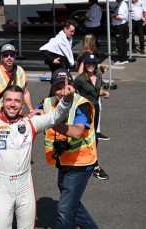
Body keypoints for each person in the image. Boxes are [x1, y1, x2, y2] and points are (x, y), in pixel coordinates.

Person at [0, 76, 75, 229]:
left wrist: (66, 101)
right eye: (9, 100)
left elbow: (54, 117)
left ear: (23, 104)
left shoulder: (30, 122)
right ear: (2, 102)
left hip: (25, 185)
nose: (12, 104)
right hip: (1, 186)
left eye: (17, 101)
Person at [37, 68, 99, 228]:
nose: (61, 91)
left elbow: (77, 132)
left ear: (72, 86)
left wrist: (50, 121)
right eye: (57, 87)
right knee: (72, 204)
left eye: (65, 86)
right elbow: (33, 116)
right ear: (52, 88)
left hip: (80, 163)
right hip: (63, 161)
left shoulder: (82, 104)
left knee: (65, 210)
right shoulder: (48, 102)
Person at [0, 44, 34, 172]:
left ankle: (11, 167)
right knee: (2, 144)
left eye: (12, 55)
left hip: (17, 115)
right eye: (6, 55)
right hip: (0, 117)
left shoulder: (20, 71)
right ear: (1, 57)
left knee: (17, 141)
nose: (9, 57)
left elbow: (25, 92)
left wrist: (31, 110)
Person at [73, 53, 110, 180]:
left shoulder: (98, 75)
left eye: (93, 63)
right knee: (89, 136)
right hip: (85, 110)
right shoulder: (79, 79)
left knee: (94, 136)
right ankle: (95, 166)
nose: (91, 65)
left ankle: (88, 161)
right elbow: (71, 92)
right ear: (84, 64)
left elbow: (97, 91)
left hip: (96, 109)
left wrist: (104, 93)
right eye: (88, 63)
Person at [112, 0, 129, 65]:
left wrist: (112, 16)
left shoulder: (122, 6)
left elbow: (120, 18)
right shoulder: (122, 4)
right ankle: (125, 58)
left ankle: (121, 59)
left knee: (120, 43)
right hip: (123, 25)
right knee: (124, 43)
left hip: (120, 26)